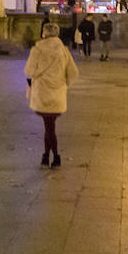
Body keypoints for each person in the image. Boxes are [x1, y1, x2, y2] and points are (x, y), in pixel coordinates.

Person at [25, 23, 79, 168]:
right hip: (57, 94)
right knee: (50, 126)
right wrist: (63, 83)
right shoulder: (64, 51)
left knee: (49, 128)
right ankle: (48, 156)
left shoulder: (38, 49)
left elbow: (29, 71)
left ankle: (53, 157)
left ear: (44, 33)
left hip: (42, 93)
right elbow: (73, 73)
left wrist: (35, 79)